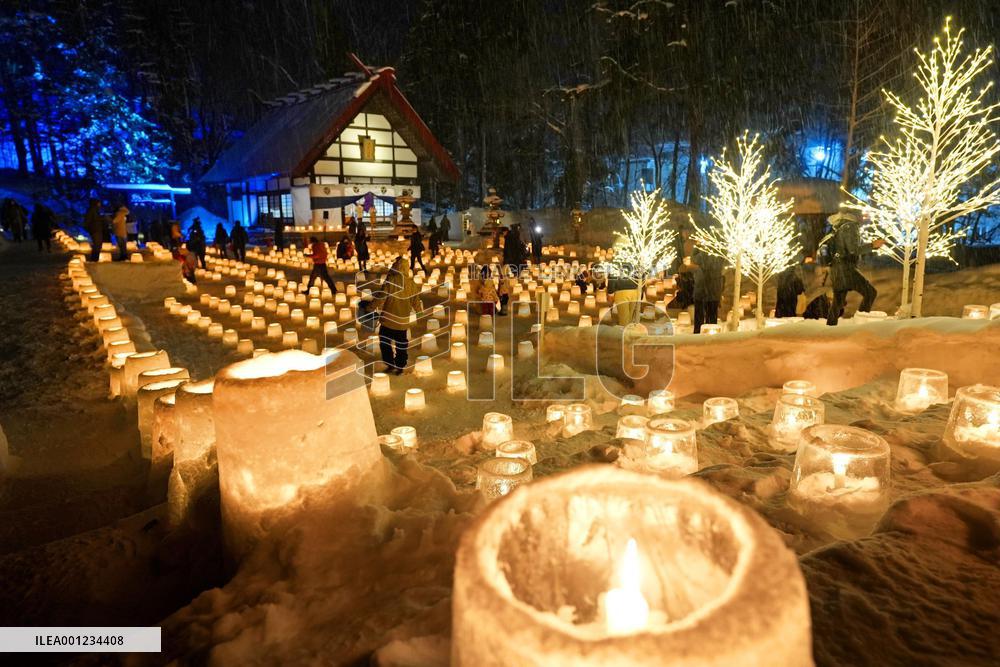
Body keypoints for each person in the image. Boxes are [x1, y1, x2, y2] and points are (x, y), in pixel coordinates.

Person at [823, 210, 879, 326]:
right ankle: (861, 320)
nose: (864, 217)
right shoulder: (850, 226)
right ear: (855, 215)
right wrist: (872, 245)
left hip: (836, 270)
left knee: (838, 301)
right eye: (862, 214)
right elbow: (853, 250)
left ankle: (830, 327)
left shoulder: (838, 227)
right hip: (846, 269)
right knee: (870, 292)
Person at [375, 256, 422, 374]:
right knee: (401, 344)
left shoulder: (390, 281)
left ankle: (390, 363)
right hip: (402, 322)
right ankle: (400, 365)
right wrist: (419, 311)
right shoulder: (411, 284)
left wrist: (370, 307)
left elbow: (381, 297)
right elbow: (415, 300)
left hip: (388, 321)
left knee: (385, 342)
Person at [691, 246, 724, 333]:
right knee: (712, 318)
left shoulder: (702, 254)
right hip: (713, 290)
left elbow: (694, 259)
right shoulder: (718, 254)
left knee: (699, 318)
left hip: (702, 290)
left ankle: (698, 335)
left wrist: (696, 249)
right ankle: (711, 336)